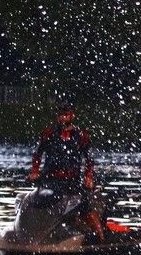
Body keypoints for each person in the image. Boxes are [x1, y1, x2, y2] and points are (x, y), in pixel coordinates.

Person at [29, 101, 103, 240]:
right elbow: (37, 154)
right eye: (60, 115)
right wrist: (35, 171)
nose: (63, 118)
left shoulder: (81, 136)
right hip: (50, 179)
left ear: (72, 116)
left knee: (83, 204)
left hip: (72, 180)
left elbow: (89, 160)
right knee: (40, 200)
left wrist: (88, 177)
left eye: (66, 115)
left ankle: (100, 235)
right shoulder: (49, 133)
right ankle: (37, 233)